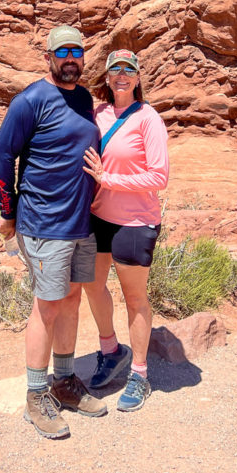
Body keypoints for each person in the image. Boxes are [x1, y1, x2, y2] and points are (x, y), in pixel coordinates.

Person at [0, 24, 106, 439]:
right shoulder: (30, 100)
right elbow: (2, 155)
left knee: (72, 301)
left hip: (80, 222)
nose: (70, 58)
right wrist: (8, 211)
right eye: (62, 52)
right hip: (44, 223)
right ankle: (36, 396)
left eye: (77, 51)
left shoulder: (84, 98)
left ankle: (65, 381)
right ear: (48, 58)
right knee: (48, 306)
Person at [82, 49, 169, 412]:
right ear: (106, 76)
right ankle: (111, 351)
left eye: (128, 70)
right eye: (114, 69)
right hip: (99, 216)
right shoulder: (97, 113)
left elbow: (159, 176)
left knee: (135, 299)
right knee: (92, 285)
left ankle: (139, 374)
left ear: (137, 77)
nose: (121, 75)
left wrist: (108, 179)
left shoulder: (148, 118)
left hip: (135, 221)